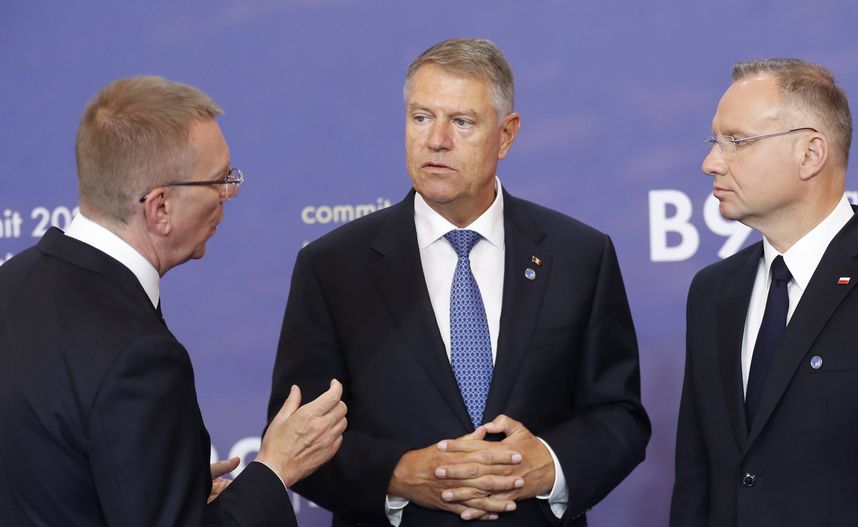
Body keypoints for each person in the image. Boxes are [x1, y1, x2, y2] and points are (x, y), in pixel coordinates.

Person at [267, 38, 650, 527]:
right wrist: (399, 474)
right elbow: (294, 436)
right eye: (421, 117)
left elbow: (618, 416)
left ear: (506, 135)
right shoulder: (333, 266)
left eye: (461, 122)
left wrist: (547, 465)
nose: (436, 140)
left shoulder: (579, 255)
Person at [0, 76, 347, 526]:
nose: (229, 193)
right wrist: (275, 469)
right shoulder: (139, 357)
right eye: (220, 179)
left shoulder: (13, 281)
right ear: (159, 208)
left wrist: (164, 480)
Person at [670, 58, 858, 526]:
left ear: (811, 154)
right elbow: (698, 482)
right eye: (715, 141)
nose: (710, 161)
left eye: (737, 142)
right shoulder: (712, 293)